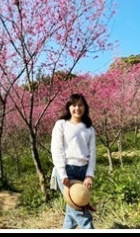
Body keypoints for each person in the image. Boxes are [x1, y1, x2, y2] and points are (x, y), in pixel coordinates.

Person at [50, 93, 96, 229]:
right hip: (66, 170)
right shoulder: (61, 124)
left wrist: (89, 175)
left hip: (83, 170)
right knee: (81, 212)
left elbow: (92, 153)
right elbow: (56, 149)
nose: (77, 108)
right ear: (69, 107)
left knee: (72, 212)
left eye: (80, 105)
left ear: (85, 107)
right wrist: (63, 174)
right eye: (74, 105)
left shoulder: (89, 128)